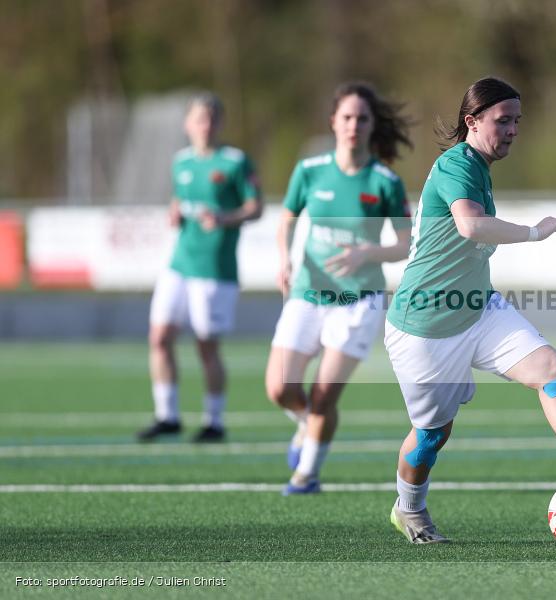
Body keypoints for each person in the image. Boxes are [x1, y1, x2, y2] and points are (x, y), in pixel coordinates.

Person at [384, 77, 556, 544]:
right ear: (472, 121)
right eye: (502, 121)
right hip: (424, 326)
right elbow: (470, 226)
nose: (511, 131)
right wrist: (533, 232)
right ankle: (408, 509)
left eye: (517, 122)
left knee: (550, 366)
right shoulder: (456, 164)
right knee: (431, 435)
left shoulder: (478, 167)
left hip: (479, 309)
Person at [265, 82, 413, 495]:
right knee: (280, 389)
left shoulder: (385, 181)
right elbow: (286, 221)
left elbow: (405, 244)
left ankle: (306, 474)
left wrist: (367, 252)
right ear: (333, 121)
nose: (354, 125)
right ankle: (306, 424)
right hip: (307, 293)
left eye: (362, 118)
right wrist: (284, 259)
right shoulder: (309, 171)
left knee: (323, 396)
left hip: (357, 302)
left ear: (372, 125)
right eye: (347, 117)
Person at [138, 93, 263, 443]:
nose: (205, 126)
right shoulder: (181, 162)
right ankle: (167, 415)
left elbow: (255, 207)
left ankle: (214, 421)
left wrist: (225, 218)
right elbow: (180, 199)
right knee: (159, 338)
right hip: (179, 263)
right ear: (187, 124)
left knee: (206, 346)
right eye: (198, 119)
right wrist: (174, 211)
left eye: (211, 119)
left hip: (214, 269)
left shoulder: (235, 162)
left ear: (220, 124)